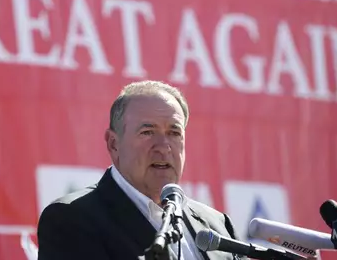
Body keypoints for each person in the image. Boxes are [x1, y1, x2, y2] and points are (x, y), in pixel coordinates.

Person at [36, 80, 241, 260]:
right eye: (147, 132)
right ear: (114, 144)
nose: (163, 146)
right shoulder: (72, 219)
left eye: (174, 132)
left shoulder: (217, 224)